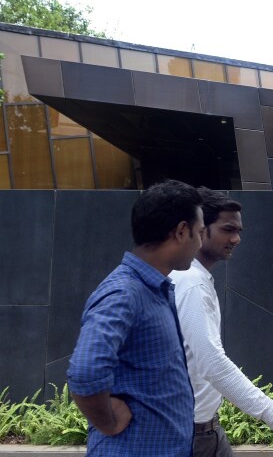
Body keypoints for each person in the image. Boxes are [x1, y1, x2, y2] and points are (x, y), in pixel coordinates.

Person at [67, 179, 204, 456]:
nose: (200, 243)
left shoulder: (152, 288)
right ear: (181, 231)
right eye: (199, 232)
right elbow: (84, 371)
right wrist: (107, 420)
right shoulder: (124, 293)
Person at [170, 188, 273, 455]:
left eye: (239, 231)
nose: (236, 239)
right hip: (190, 437)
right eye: (228, 229)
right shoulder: (190, 284)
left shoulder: (193, 279)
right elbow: (212, 362)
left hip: (204, 431)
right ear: (200, 229)